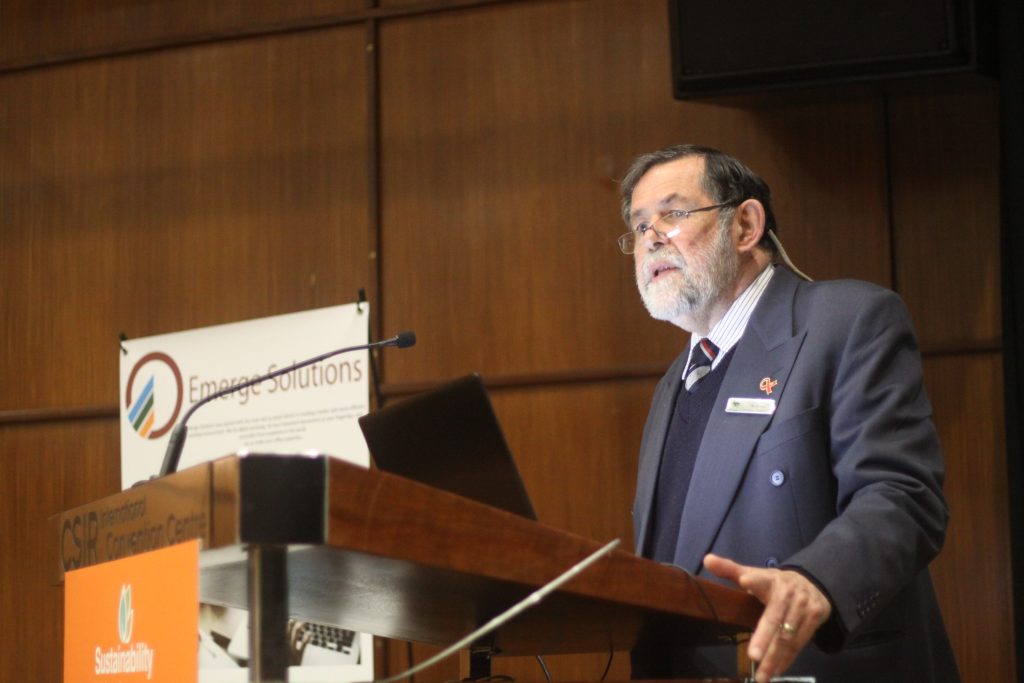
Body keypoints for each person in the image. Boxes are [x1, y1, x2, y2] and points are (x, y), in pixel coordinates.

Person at [620, 144, 959, 682]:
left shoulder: (848, 321)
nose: (651, 238)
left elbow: (902, 494)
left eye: (674, 213)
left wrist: (817, 580)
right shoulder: (675, 381)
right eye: (640, 227)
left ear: (745, 225)